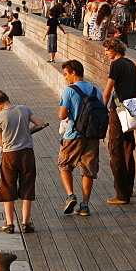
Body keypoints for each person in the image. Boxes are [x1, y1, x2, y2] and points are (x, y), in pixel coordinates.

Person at [0, 89, 48, 234]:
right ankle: (26, 223)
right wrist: (27, 132)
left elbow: (1, 144)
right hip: (27, 154)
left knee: (8, 186)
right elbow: (41, 124)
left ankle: (9, 224)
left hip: (10, 156)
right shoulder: (24, 109)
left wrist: (3, 146)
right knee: (27, 186)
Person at [58, 60, 102, 216]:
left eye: (66, 74)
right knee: (88, 170)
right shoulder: (96, 90)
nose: (65, 78)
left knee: (64, 165)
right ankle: (84, 205)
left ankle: (70, 195)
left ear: (73, 73)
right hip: (92, 135)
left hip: (73, 135)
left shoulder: (69, 91)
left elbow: (62, 115)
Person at [101, 39, 136, 205]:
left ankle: (122, 194)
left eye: (107, 50)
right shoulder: (131, 64)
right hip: (131, 111)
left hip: (118, 111)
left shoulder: (116, 65)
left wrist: (102, 109)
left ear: (114, 49)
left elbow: (107, 91)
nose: (105, 53)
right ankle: (129, 188)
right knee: (128, 149)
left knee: (115, 150)